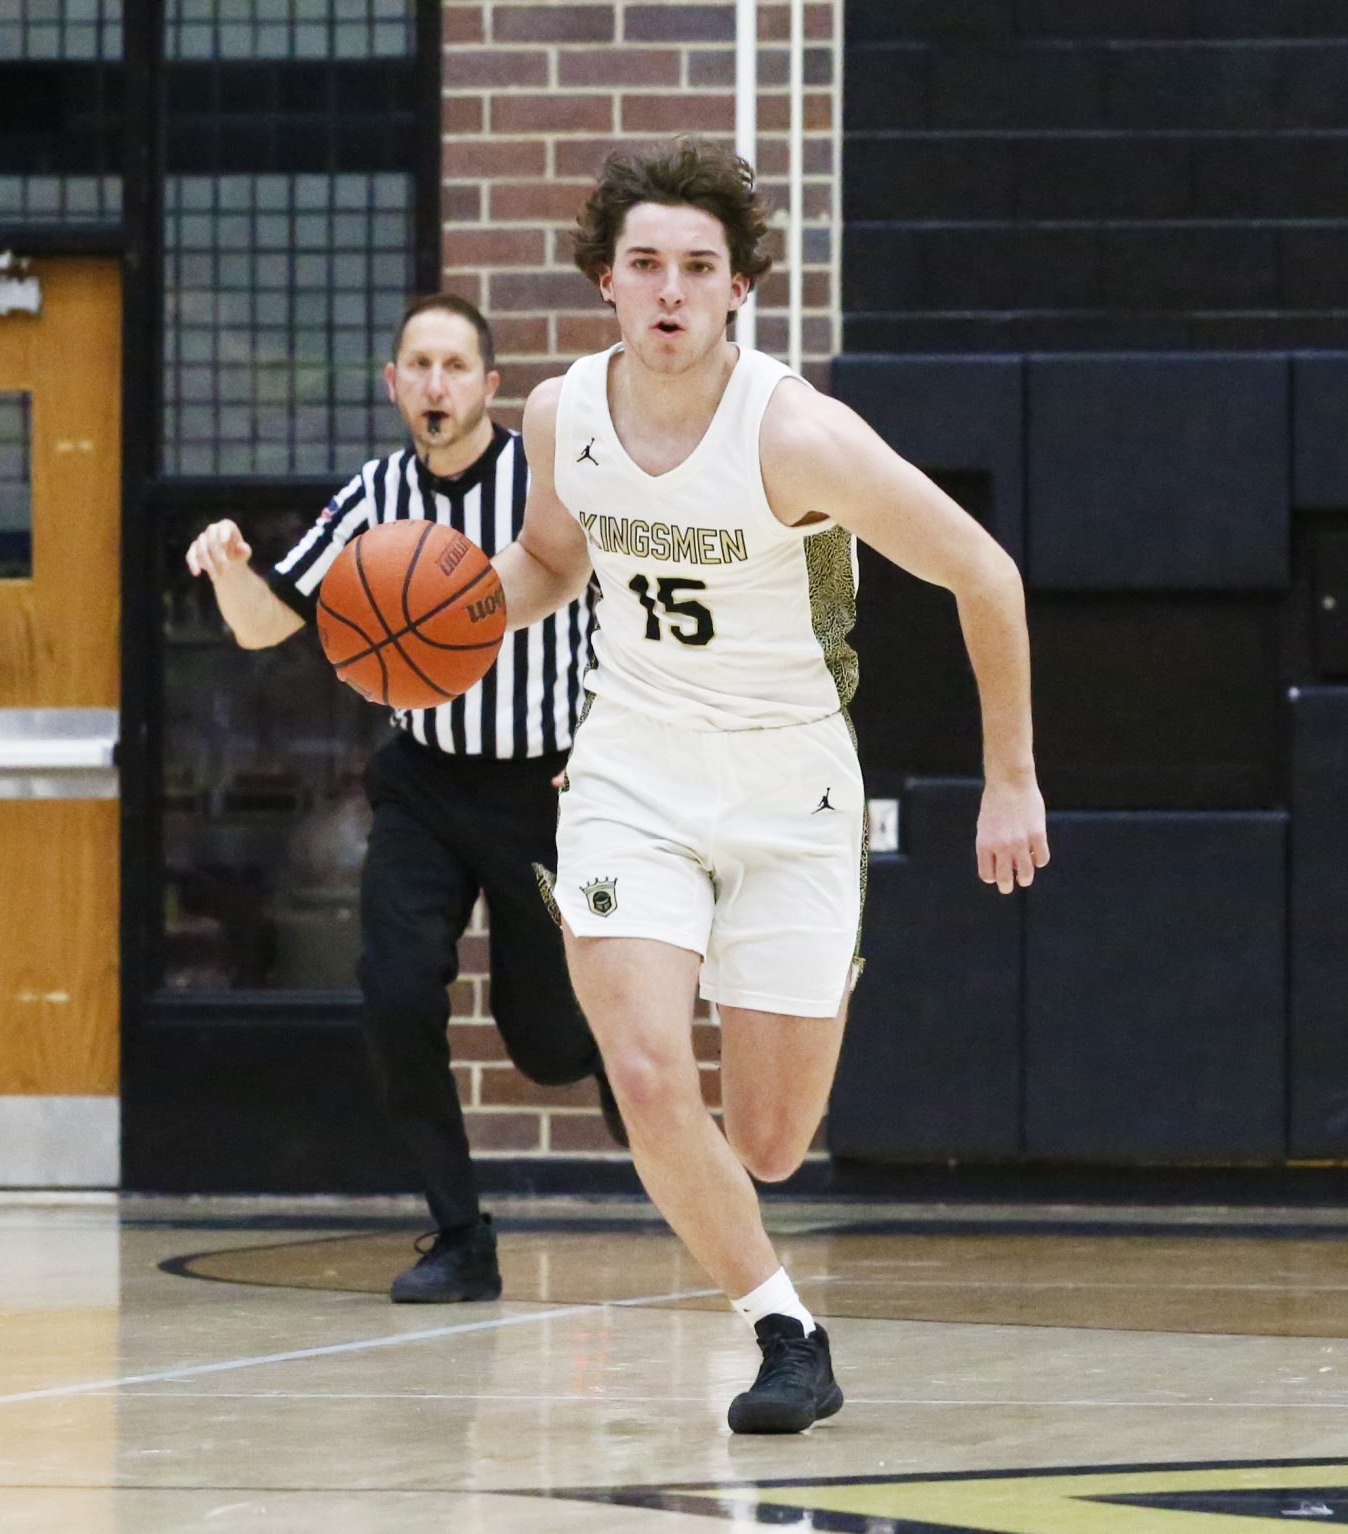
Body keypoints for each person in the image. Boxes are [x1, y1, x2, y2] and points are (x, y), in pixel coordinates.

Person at [486, 139, 1051, 1434]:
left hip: (790, 783)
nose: (670, 290)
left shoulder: (794, 432)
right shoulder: (562, 415)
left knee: (773, 1139)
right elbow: (552, 561)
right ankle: (785, 1330)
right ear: (605, 280)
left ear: (739, 286)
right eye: (645, 264)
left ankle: (813, 964)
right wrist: (453, 622)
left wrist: (1010, 776)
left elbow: (986, 574)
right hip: (630, 766)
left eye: (698, 267)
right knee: (642, 1071)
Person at [183, 293, 623, 1304]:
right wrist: (233, 569)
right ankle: (460, 1235)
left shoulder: (546, 485)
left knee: (546, 1043)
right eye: (418, 366)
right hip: (425, 781)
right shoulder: (373, 494)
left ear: (489, 385)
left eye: (454, 366)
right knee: (392, 992)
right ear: (393, 385)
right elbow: (263, 624)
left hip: (544, 785)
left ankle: (605, 1053)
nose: (435, 384)